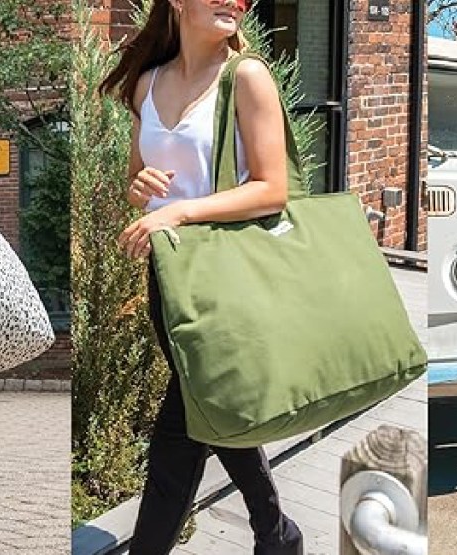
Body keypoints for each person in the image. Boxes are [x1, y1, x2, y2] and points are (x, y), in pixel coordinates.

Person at [100, 0, 304, 553]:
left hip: (227, 282)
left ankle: (266, 533)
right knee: (203, 414)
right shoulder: (146, 84)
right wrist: (142, 191)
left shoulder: (247, 76)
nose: (234, 1)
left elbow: (272, 187)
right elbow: (136, 180)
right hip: (170, 280)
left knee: (184, 425)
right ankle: (276, 533)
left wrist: (179, 212)